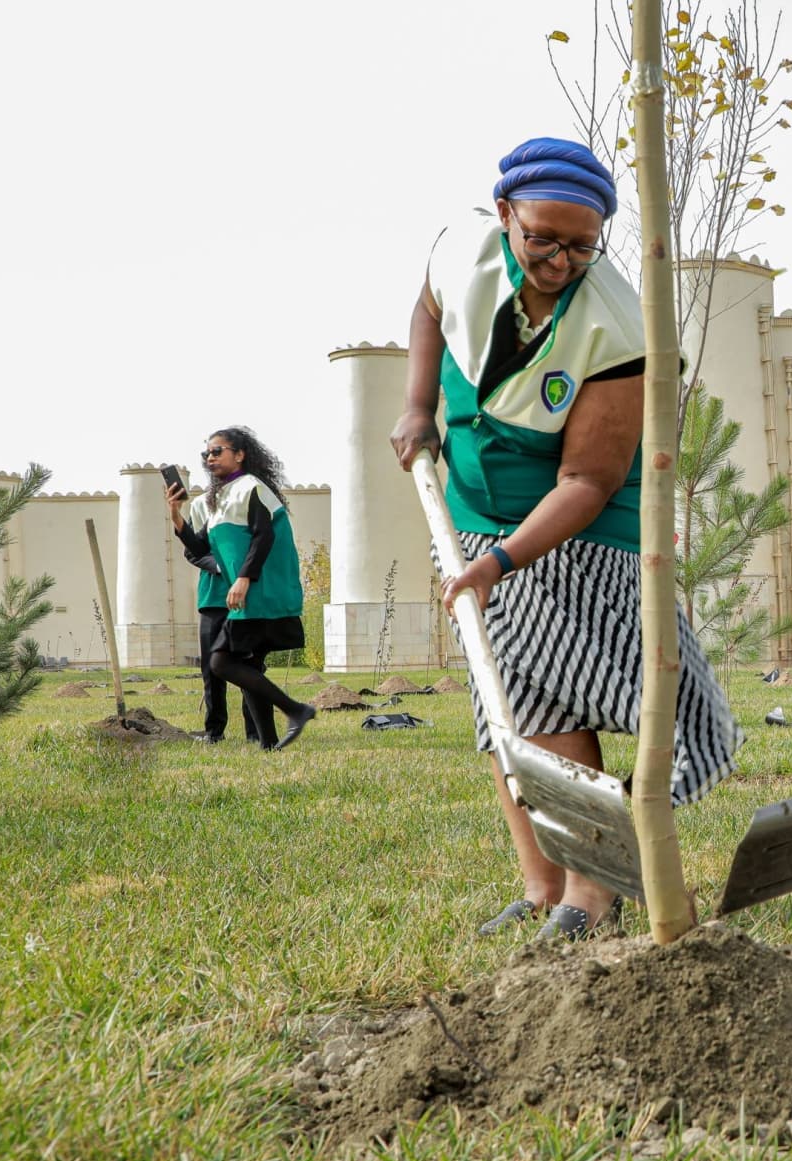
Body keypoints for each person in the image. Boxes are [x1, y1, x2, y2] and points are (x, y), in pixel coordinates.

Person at [389, 137, 744, 941]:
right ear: (506, 213)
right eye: (542, 238)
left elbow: (588, 478)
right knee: (513, 700)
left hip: (585, 526)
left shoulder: (620, 322)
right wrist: (417, 404)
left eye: (583, 245)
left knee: (630, 691)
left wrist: (500, 562)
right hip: (477, 505)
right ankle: (546, 886)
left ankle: (597, 887)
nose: (560, 259)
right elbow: (428, 309)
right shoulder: (464, 250)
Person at [165, 428, 314, 751]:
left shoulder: (251, 488)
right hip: (245, 597)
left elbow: (264, 536)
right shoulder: (220, 499)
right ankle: (269, 741)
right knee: (241, 665)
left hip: (260, 592)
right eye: (207, 454)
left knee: (222, 662)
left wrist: (243, 578)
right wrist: (176, 515)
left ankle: (296, 710)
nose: (210, 458)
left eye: (218, 451)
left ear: (240, 454)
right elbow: (198, 545)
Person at [173, 501, 265, 745]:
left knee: (252, 666)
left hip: (250, 601)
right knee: (212, 669)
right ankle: (214, 731)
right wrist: (219, 565)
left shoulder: (255, 509)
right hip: (213, 601)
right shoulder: (204, 507)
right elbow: (191, 549)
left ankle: (256, 732)